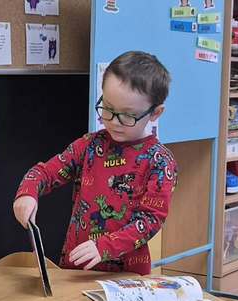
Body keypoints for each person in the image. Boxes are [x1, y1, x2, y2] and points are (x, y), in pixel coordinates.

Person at [12, 51, 177, 275]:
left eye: (127, 116)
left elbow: (150, 220)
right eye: (107, 109)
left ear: (155, 113)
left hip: (126, 277)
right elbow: (45, 172)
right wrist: (27, 193)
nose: (114, 122)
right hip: (75, 269)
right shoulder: (89, 145)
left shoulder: (160, 162)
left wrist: (105, 246)